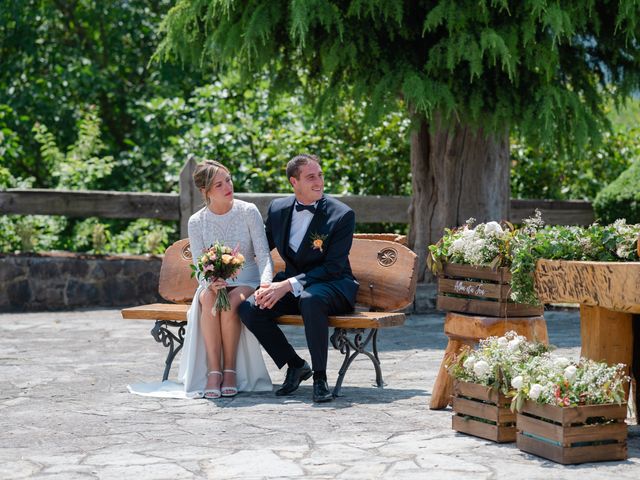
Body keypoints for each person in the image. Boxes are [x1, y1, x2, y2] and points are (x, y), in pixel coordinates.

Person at [239, 154, 359, 403]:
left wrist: (287, 284)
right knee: (251, 308)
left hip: (333, 286)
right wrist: (230, 260)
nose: (319, 182)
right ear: (294, 182)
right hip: (293, 286)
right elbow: (262, 247)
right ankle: (295, 365)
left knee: (310, 299)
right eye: (311, 177)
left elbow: (334, 267)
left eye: (320, 175)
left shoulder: (342, 215)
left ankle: (320, 378)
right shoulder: (278, 209)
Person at [178, 159, 273, 399]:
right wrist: (208, 282)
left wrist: (265, 283)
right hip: (214, 283)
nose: (227, 187)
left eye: (228, 180)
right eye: (219, 184)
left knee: (230, 302)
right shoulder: (197, 221)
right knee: (209, 301)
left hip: (248, 281)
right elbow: (199, 265)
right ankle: (213, 371)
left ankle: (230, 370)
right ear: (205, 191)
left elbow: (263, 256)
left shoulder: (248, 211)